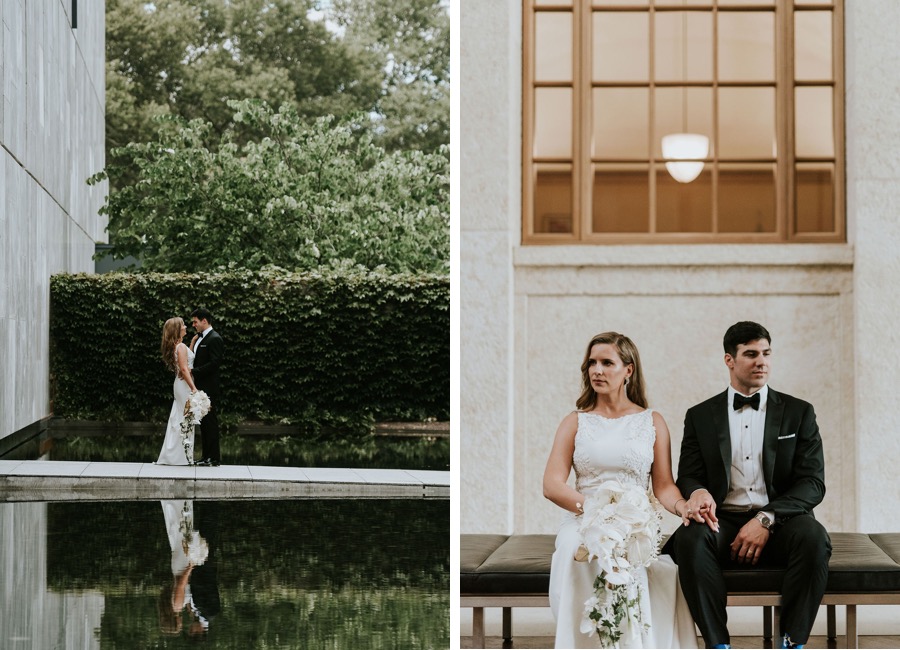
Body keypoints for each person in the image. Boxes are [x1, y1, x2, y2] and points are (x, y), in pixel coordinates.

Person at [664, 321, 831, 650]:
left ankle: (792, 642)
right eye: (751, 354)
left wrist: (766, 518)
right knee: (690, 538)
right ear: (729, 360)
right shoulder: (699, 416)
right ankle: (717, 644)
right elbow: (689, 474)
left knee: (815, 538)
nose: (762, 362)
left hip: (781, 521)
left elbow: (813, 483)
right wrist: (697, 492)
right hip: (721, 520)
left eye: (767, 353)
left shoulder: (799, 413)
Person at [544, 331, 700, 648]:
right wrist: (597, 510)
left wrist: (683, 506)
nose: (597, 370)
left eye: (607, 362)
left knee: (634, 557)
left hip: (634, 524)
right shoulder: (575, 421)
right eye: (592, 363)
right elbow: (551, 485)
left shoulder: (652, 421)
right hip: (583, 518)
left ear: (628, 370)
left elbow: (664, 485)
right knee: (580, 548)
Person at [156, 317, 199, 465]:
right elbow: (184, 369)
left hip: (180, 384)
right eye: (183, 325)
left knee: (180, 417)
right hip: (184, 385)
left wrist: (192, 344)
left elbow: (187, 361)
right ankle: (181, 457)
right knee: (185, 418)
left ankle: (177, 455)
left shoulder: (180, 346)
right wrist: (194, 388)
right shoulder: (180, 347)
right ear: (177, 329)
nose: (186, 326)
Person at [190, 308, 224, 467]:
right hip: (200, 388)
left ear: (204, 321)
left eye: (195, 321)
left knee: (210, 422)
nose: (193, 325)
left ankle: (214, 458)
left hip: (209, 388)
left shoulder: (215, 338)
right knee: (203, 422)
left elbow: (215, 363)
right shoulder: (198, 339)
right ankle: (205, 456)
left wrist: (194, 372)